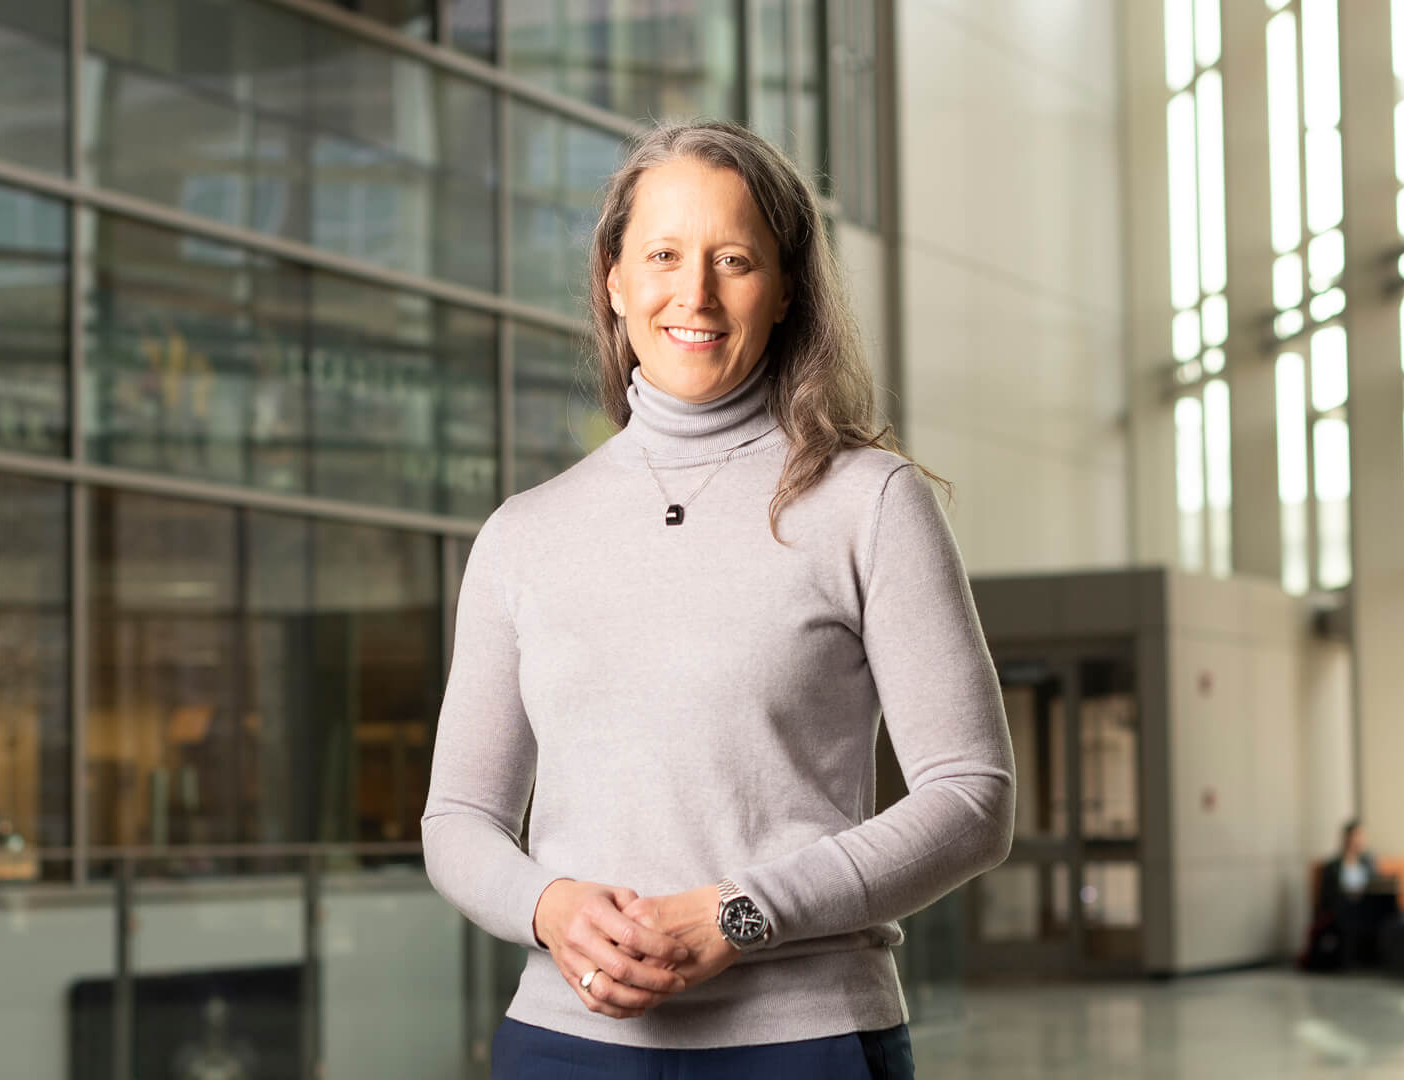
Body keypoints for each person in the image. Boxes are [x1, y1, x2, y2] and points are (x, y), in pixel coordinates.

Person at [421, 120, 1015, 1079]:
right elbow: (456, 818)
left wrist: (743, 915)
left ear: (784, 291)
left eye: (733, 259)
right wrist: (551, 909)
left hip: (805, 1043)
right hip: (566, 1046)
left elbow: (972, 800)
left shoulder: (871, 501)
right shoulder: (522, 535)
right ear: (614, 279)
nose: (692, 294)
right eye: (662, 254)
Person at [1315, 820, 1376, 919]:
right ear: (1346, 838)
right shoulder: (1332, 867)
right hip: (1342, 911)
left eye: (1361, 836)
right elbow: (1326, 898)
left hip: (1366, 908)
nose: (1359, 840)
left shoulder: (1368, 863)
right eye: (1356, 835)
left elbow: (1375, 888)